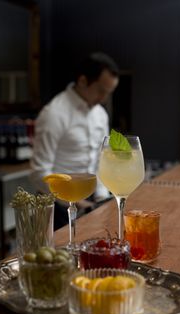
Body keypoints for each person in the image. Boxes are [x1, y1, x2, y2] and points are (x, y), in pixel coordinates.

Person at [30, 52, 119, 229]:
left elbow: (100, 162)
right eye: (101, 90)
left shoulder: (100, 115)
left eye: (109, 93)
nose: (104, 98)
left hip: (91, 202)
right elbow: (38, 173)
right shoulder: (54, 114)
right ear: (83, 81)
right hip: (56, 208)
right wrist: (74, 201)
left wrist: (101, 198)